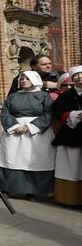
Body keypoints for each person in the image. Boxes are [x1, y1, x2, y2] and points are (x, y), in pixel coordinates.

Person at [0, 71, 56, 201]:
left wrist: (31, 127)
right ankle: (6, 188)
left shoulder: (43, 96)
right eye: (22, 78)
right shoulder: (13, 97)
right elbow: (5, 113)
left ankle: (31, 191)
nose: (23, 80)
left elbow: (48, 114)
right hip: (15, 132)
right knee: (11, 158)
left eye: (27, 78)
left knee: (32, 160)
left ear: (34, 79)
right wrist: (16, 126)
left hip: (37, 133)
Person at [50, 65, 82, 206]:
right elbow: (56, 110)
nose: (79, 77)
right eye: (76, 75)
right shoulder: (66, 95)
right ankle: (68, 198)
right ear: (72, 79)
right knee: (70, 166)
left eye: (81, 74)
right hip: (70, 134)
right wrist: (73, 115)